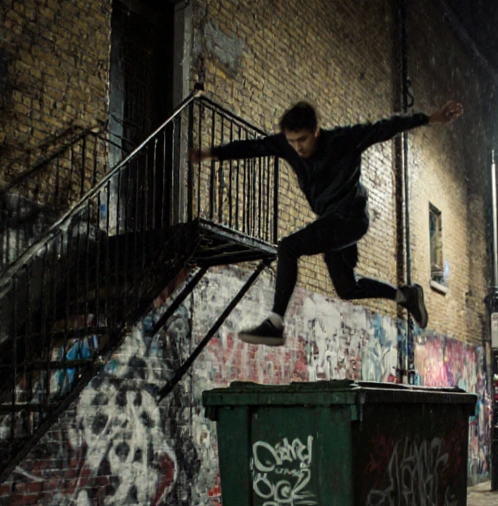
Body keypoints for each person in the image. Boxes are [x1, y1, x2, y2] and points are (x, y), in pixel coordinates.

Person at [191, 99, 464, 345]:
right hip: (332, 222)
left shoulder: (344, 140)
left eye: (303, 140)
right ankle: (406, 296)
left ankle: (275, 323)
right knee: (347, 288)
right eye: (293, 141)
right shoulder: (287, 145)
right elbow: (253, 147)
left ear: (316, 131)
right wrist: (210, 154)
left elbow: (386, 127)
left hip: (352, 218)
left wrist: (429, 118)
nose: (298, 147)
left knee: (288, 247)